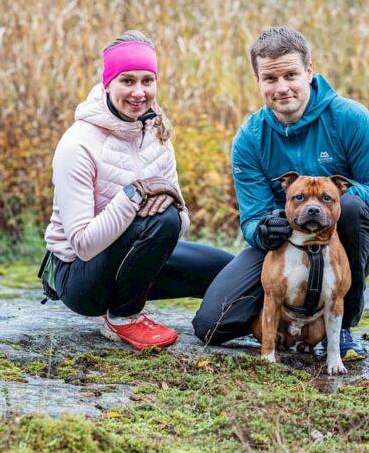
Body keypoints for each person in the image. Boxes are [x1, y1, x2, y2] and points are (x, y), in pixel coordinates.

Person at [193, 26, 369, 360]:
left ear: (309, 71)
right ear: (258, 80)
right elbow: (251, 219)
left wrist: (330, 195)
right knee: (210, 325)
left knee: (349, 207)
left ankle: (342, 326)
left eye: (290, 75)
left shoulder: (350, 118)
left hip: (341, 242)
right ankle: (284, 322)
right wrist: (263, 229)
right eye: (270, 79)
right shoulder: (251, 137)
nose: (281, 88)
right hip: (282, 246)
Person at [42, 30, 233, 351]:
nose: (138, 92)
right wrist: (134, 196)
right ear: (107, 84)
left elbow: (180, 222)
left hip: (136, 256)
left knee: (229, 272)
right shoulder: (78, 144)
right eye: (127, 81)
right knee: (162, 219)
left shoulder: (156, 134)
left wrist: (164, 201)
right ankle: (123, 317)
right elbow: (83, 245)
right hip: (80, 278)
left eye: (147, 80)